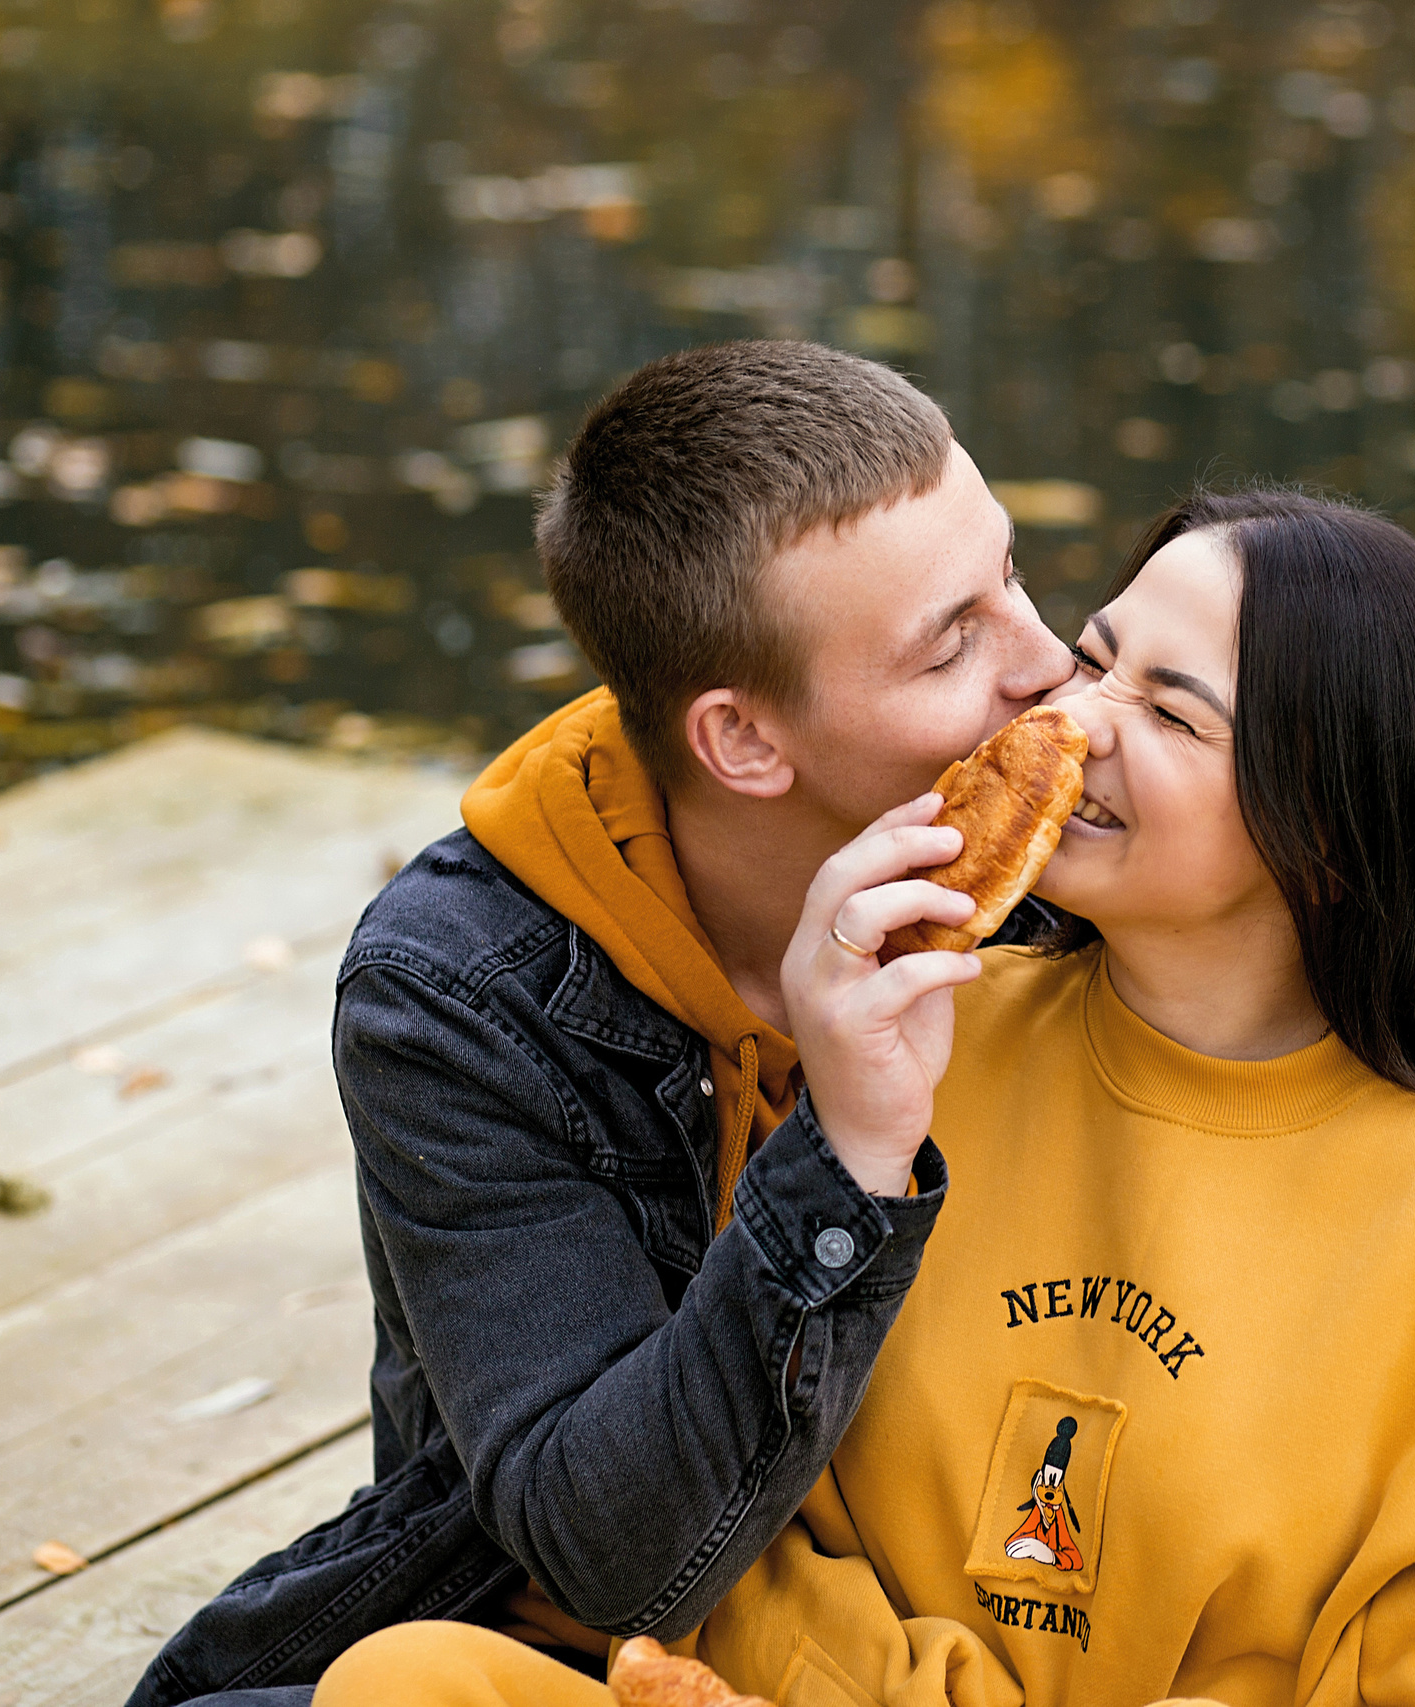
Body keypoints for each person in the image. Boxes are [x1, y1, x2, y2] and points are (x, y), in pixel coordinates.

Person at [309, 488, 1415, 1707]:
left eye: (1165, 709)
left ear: (1325, 832)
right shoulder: (940, 1033)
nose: (1071, 719)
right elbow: (771, 1518)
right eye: (1096, 661)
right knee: (404, 1680)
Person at [126, 341, 1077, 1707]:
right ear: (744, 742)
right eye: (953, 645)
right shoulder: (457, 992)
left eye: (1016, 575)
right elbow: (615, 1560)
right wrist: (855, 1149)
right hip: (531, 1654)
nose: (1048, 663)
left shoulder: (1062, 892)